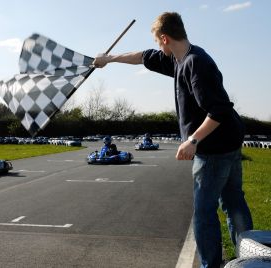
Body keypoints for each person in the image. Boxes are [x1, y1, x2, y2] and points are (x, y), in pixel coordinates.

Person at [93, 12, 253, 268]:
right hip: (229, 141)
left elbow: (219, 110)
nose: (158, 47)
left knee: (204, 213)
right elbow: (142, 56)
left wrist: (193, 141)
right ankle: (250, 258)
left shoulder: (195, 64)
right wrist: (109, 59)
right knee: (234, 202)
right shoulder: (176, 58)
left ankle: (211, 264)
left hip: (215, 149)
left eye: (158, 42)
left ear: (165, 38)